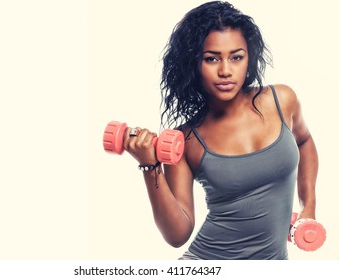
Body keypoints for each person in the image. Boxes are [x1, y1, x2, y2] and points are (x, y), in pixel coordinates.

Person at [122, 1, 318, 260]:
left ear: (249, 59)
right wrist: (150, 167)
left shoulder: (281, 101)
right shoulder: (187, 139)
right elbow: (177, 235)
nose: (225, 71)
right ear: (194, 64)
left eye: (236, 57)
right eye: (212, 58)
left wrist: (309, 207)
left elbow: (304, 142)